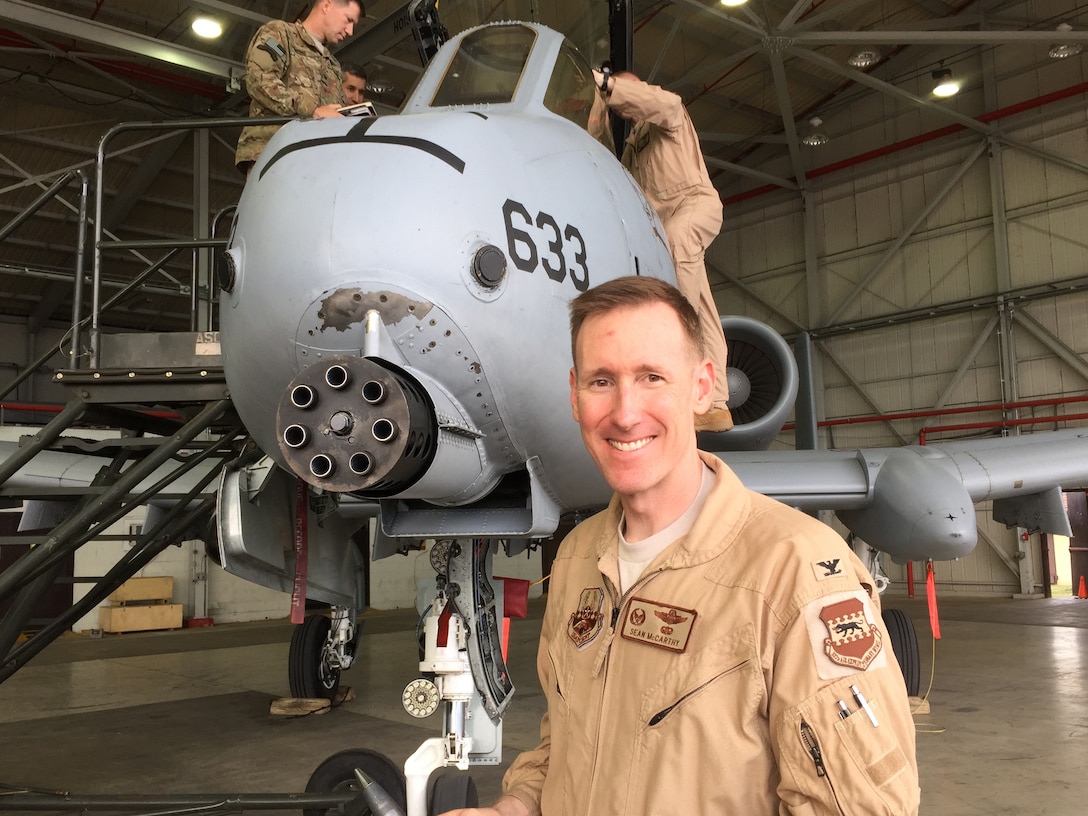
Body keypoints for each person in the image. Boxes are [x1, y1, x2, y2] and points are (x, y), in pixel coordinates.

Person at [443, 276, 920, 816]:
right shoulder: (577, 557)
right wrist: (515, 809)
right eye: (602, 381)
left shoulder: (797, 572)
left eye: (652, 377)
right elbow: (569, 745)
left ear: (700, 387)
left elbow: (857, 807)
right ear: (574, 394)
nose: (625, 413)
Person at [592, 69, 733, 433]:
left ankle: (685, 354)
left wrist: (608, 85)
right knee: (699, 300)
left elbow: (664, 102)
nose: (622, 105)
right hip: (661, 230)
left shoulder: (669, 115)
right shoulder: (633, 149)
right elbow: (615, 181)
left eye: (627, 93)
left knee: (680, 257)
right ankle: (715, 404)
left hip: (693, 206)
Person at [234, 0, 362, 173]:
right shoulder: (280, 35)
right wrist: (313, 110)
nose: (350, 31)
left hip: (318, 164)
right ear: (327, 5)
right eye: (348, 20)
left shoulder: (332, 66)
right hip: (275, 155)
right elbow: (259, 80)